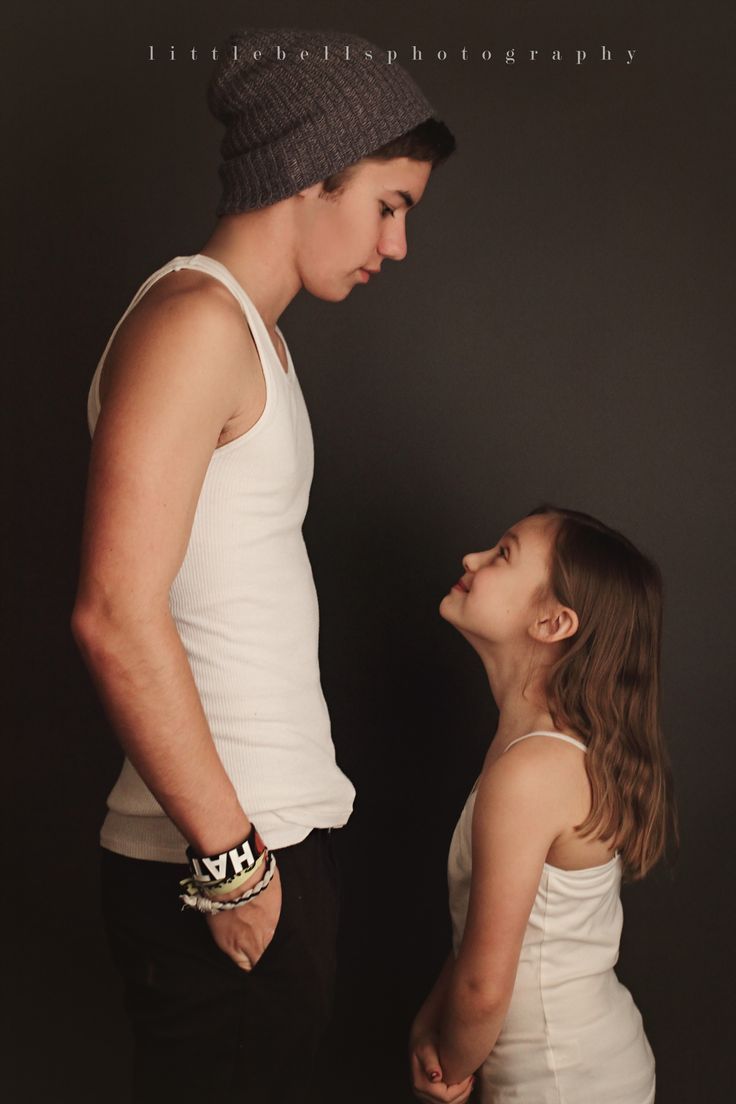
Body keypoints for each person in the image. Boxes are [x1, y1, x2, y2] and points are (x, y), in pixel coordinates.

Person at [71, 27, 454, 1103]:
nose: (397, 244)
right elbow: (112, 610)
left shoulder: (248, 336)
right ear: (309, 169)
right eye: (390, 203)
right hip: (220, 859)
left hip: (264, 840)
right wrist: (231, 863)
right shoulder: (195, 325)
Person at [410, 506, 677, 1104]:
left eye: (502, 554)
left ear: (553, 622)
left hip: (562, 1081)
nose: (471, 560)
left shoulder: (531, 772)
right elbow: (489, 934)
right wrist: (430, 1023)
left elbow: (483, 987)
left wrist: (446, 1066)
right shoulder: (533, 752)